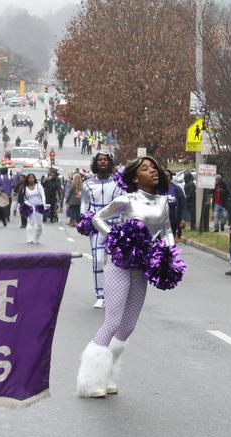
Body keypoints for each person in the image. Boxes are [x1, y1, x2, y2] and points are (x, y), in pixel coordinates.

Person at [75, 156, 173, 398]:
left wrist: (168, 254)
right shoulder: (125, 200)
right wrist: (115, 236)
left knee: (128, 326)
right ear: (134, 177)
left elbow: (167, 231)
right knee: (113, 321)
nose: (152, 171)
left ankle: (105, 374)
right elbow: (97, 218)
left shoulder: (162, 202)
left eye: (154, 167)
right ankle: (88, 382)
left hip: (142, 266)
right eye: (145, 168)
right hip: (120, 263)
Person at [82, 151, 121, 309]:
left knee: (115, 262)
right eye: (100, 160)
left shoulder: (119, 183)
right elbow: (85, 204)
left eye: (105, 160)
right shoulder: (87, 184)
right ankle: (100, 295)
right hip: (97, 226)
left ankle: (115, 295)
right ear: (95, 163)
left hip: (116, 226)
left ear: (110, 163)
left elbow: (126, 203)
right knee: (98, 260)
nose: (103, 162)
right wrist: (84, 218)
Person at [23, 173, 46, 244]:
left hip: (39, 206)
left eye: (32, 178)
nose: (31, 179)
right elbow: (25, 198)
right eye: (29, 178)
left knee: (39, 224)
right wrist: (28, 205)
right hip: (30, 207)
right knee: (30, 223)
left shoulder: (38, 186)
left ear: (34, 178)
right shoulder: (25, 188)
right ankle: (30, 239)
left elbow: (43, 195)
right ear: (27, 179)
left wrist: (43, 203)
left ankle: (36, 238)